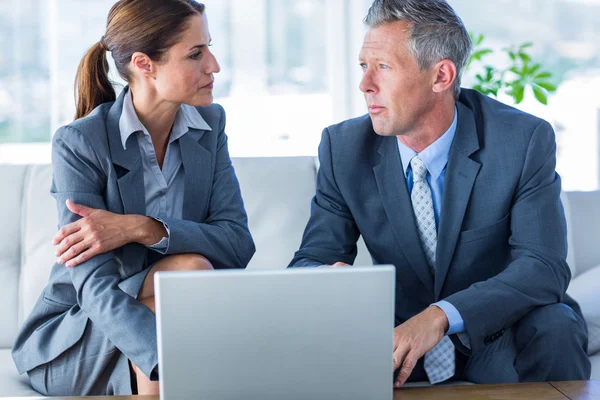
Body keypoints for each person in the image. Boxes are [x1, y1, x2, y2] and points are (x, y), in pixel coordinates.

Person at [289, 0, 590, 388]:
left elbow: (543, 268)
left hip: (494, 336)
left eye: (383, 67)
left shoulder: (521, 141)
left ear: (441, 76)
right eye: (364, 66)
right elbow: (310, 260)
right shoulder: (343, 147)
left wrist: (439, 316)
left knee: (556, 324)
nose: (365, 85)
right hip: (394, 345)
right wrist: (324, 278)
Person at [11, 0, 255, 396]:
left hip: (180, 313)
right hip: (81, 338)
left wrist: (144, 229)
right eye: (196, 53)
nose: (214, 65)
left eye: (209, 47)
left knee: (186, 276)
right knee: (187, 275)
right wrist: (164, 355)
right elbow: (93, 288)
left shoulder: (210, 126)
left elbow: (237, 244)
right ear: (144, 64)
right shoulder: (81, 143)